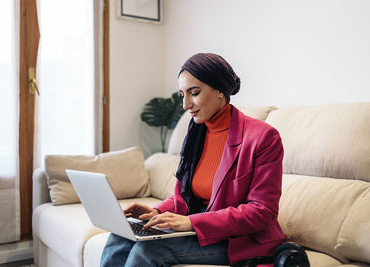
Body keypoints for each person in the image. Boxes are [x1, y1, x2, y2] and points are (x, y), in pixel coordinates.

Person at [100, 53, 284, 267]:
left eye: (194, 93)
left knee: (149, 249)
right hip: (199, 227)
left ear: (219, 90)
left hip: (239, 240)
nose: (186, 105)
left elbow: (262, 212)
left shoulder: (263, 137)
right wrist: (157, 212)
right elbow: (186, 196)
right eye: (182, 95)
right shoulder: (196, 133)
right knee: (120, 236)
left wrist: (191, 222)